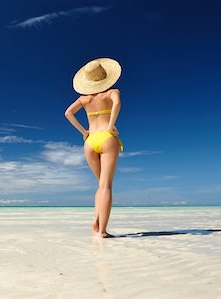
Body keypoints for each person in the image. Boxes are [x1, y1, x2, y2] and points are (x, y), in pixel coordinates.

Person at [64, 57, 124, 238]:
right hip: (106, 138)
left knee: (100, 185)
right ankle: (102, 231)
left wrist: (84, 131)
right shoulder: (112, 92)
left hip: (89, 142)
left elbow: (68, 113)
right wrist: (111, 125)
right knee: (106, 186)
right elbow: (117, 103)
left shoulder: (84, 99)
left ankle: (96, 220)